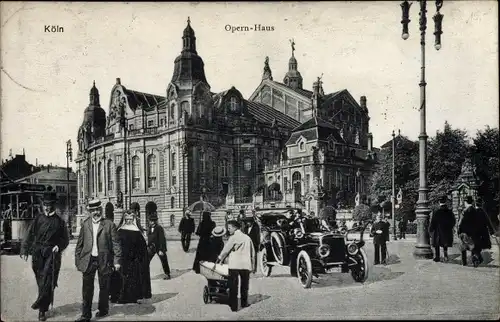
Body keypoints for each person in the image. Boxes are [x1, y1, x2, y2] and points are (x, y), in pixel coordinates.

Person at [20, 192, 70, 322]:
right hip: (37, 254)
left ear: (54, 205)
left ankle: (41, 309)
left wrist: (58, 246)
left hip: (52, 255)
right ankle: (43, 303)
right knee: (41, 281)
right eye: (45, 205)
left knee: (48, 282)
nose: (47, 207)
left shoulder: (60, 222)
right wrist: (25, 250)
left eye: (49, 204)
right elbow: (29, 234)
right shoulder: (38, 219)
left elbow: (65, 239)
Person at [75, 199, 122, 322]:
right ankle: (86, 315)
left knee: (104, 286)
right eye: (93, 210)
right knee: (87, 288)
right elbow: (79, 244)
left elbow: (116, 244)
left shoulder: (109, 224)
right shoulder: (85, 224)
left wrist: (117, 261)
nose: (96, 212)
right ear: (89, 211)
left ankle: (103, 309)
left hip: (104, 259)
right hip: (88, 259)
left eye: (98, 209)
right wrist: (78, 261)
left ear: (101, 210)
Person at [110, 211, 152, 304]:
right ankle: (119, 296)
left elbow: (142, 247)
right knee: (121, 278)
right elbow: (115, 244)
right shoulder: (120, 230)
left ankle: (132, 297)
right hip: (122, 258)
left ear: (134, 219)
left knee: (133, 278)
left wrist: (140, 258)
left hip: (133, 260)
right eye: (127, 219)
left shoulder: (137, 231)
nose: (128, 221)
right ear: (124, 219)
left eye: (130, 219)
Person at [217, 220, 256, 312]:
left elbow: (226, 250)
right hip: (245, 265)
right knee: (244, 285)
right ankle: (244, 303)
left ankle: (233, 306)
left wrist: (220, 258)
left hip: (234, 265)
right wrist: (253, 266)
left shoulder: (233, 238)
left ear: (235, 227)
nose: (228, 230)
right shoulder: (247, 238)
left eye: (229, 228)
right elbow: (253, 253)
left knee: (233, 286)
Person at [458, 196, 492, 267]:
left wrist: (459, 231)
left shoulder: (464, 211)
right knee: (473, 246)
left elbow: (460, 223)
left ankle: (464, 263)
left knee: (463, 247)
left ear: (465, 202)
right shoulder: (476, 211)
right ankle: (475, 260)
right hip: (474, 232)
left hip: (465, 232)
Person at [429, 195, 456, 262]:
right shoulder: (449, 212)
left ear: (439, 202)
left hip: (438, 230)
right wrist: (450, 227)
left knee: (437, 244)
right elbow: (453, 221)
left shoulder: (436, 212)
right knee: (445, 243)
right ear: (445, 202)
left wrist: (431, 229)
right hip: (447, 230)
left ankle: (437, 257)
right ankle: (445, 255)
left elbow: (433, 222)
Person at [147, 211, 171, 280]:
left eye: (153, 221)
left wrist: (161, 250)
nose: (151, 222)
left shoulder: (159, 228)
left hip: (159, 247)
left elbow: (162, 239)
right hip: (151, 247)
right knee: (146, 260)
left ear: (155, 221)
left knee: (164, 260)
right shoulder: (149, 228)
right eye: (150, 221)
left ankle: (167, 274)